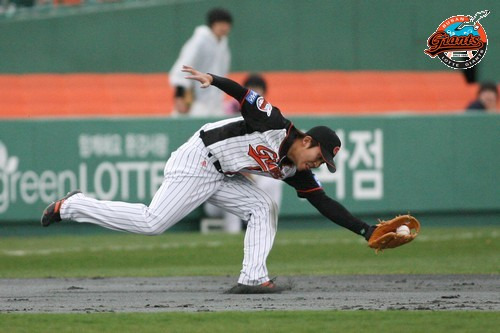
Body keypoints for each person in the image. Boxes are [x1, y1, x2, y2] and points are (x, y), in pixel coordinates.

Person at [41, 65, 377, 294]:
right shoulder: (275, 124)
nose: (317, 164)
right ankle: (72, 206)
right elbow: (244, 94)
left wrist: (366, 230)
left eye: (323, 163)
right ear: (307, 141)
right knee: (152, 222)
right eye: (319, 157)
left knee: (263, 206)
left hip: (222, 174)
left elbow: (325, 203)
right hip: (199, 158)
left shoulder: (295, 170)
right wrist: (212, 79)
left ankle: (253, 278)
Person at [204, 73, 283, 234]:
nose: (255, 94)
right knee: (234, 185)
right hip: (220, 181)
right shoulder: (228, 111)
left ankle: (267, 228)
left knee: (274, 181)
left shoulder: (267, 116)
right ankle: (232, 236)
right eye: (251, 90)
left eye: (258, 91)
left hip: (251, 175)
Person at [168, 8, 232, 117]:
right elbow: (183, 66)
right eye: (221, 24)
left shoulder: (223, 44)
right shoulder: (200, 41)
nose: (225, 28)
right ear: (212, 25)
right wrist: (179, 96)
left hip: (215, 103)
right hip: (195, 102)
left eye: (227, 24)